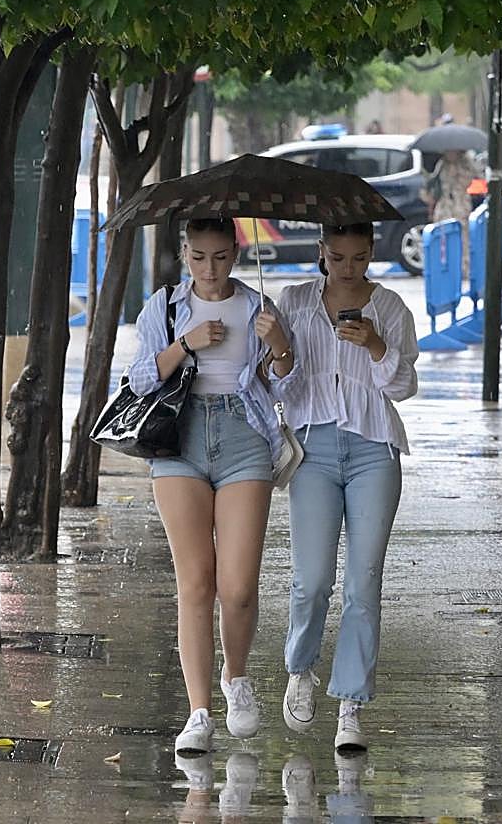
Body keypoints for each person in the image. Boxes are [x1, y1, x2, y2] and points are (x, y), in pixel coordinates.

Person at [125, 217, 298, 756]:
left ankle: (237, 678)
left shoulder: (256, 307)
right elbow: (138, 380)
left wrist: (281, 343)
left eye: (221, 256)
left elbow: (286, 380)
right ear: (185, 254)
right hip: (180, 437)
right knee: (196, 583)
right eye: (199, 257)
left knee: (239, 585)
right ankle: (199, 711)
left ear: (236, 253)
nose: (210, 269)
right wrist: (185, 344)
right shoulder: (166, 306)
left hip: (243, 434)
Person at [275, 222, 419, 752]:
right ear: (321, 253)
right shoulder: (292, 302)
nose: (348, 268)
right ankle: (300, 667)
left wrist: (377, 346)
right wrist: (278, 347)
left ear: (371, 254)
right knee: (311, 578)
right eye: (337, 257)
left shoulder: (391, 309)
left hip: (373, 451)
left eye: (359, 258)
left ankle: (351, 704)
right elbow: (276, 385)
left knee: (364, 582)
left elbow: (403, 388)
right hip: (312, 449)